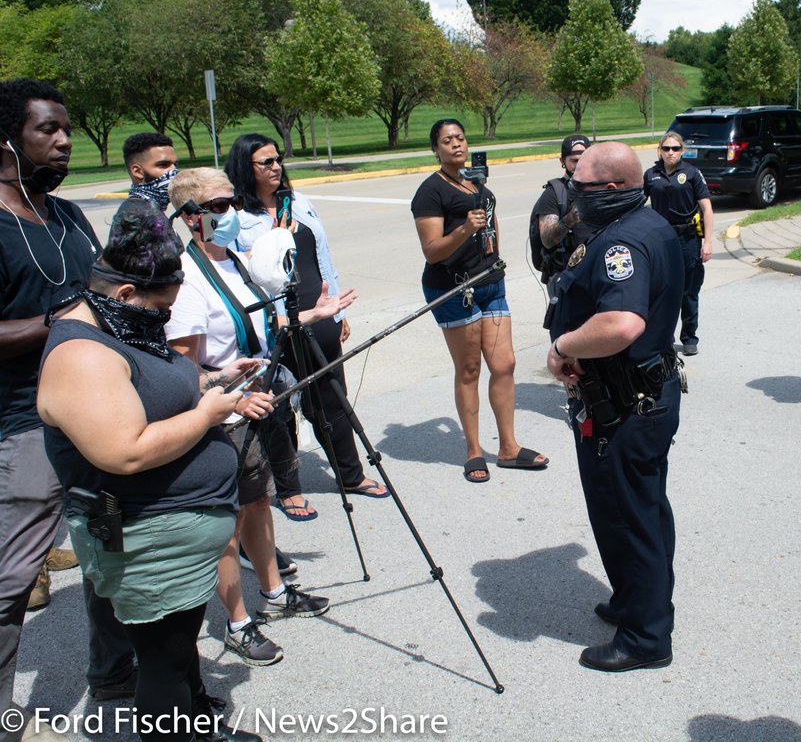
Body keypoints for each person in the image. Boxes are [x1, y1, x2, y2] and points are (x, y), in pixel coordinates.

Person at [37, 198, 261, 742]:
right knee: (161, 663)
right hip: (143, 534)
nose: (166, 318)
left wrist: (213, 381)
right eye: (162, 308)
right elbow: (126, 451)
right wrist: (209, 414)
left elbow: (151, 394)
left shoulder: (122, 325)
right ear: (127, 294)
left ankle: (197, 718)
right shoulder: (82, 355)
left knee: (177, 644)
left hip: (171, 533)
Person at [0, 79, 138, 738]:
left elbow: (102, 288)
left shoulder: (68, 216)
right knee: (12, 582)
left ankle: (113, 673)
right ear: (7, 140)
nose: (64, 141)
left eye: (66, 129)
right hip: (26, 423)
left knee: (107, 554)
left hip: (103, 415)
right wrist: (66, 318)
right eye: (47, 130)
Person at [166, 169, 342, 666]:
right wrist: (233, 399)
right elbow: (184, 370)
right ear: (190, 218)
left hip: (259, 401)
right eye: (218, 207)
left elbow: (260, 320)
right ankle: (238, 623)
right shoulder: (186, 281)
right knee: (226, 521)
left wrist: (312, 315)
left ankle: (275, 593)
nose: (230, 214)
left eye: (232, 203)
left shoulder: (237, 261)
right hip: (224, 413)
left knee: (259, 505)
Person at [546, 141, 683, 672]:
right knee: (643, 508)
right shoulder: (649, 223)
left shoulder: (621, 241)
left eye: (579, 187)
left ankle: (646, 638)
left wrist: (562, 347)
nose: (572, 197)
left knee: (629, 517)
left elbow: (622, 324)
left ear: (609, 190)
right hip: (641, 393)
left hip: (626, 401)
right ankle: (637, 599)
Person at [226, 133, 386, 519]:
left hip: (321, 314)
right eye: (265, 162)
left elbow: (322, 255)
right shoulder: (235, 218)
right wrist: (272, 235)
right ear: (245, 169)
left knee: (333, 400)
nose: (276, 167)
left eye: (277, 159)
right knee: (281, 407)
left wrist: (338, 313)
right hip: (278, 323)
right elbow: (239, 272)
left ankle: (350, 474)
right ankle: (288, 488)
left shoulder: (299, 203)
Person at [411, 119, 547, 483]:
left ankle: (508, 448)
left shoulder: (476, 181)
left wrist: (494, 255)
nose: (456, 144)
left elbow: (491, 218)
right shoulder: (430, 192)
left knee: (504, 364)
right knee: (470, 369)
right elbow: (432, 252)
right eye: (446, 140)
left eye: (460, 137)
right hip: (454, 288)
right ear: (435, 150)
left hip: (490, 283)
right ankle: (473, 450)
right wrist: (464, 230)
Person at [643, 131, 712, 356]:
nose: (670, 153)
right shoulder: (651, 174)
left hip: (688, 239)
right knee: (662, 289)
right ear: (659, 151)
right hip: (661, 241)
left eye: (675, 149)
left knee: (688, 291)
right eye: (666, 149)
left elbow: (707, 208)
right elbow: (637, 203)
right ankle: (664, 337)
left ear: (682, 151)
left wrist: (708, 242)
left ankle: (689, 337)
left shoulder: (691, 173)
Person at [531, 134, 592, 283]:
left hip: (594, 270)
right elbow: (546, 239)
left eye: (584, 159)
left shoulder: (598, 188)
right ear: (562, 161)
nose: (579, 165)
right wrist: (570, 219)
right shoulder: (553, 194)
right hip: (565, 276)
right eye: (574, 160)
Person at [124, 132, 179, 211]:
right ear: (138, 171)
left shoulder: (149, 209)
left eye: (175, 164)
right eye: (163, 165)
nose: (174, 171)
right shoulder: (135, 214)